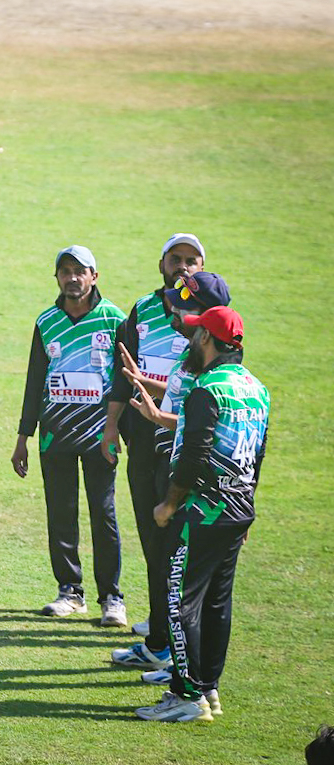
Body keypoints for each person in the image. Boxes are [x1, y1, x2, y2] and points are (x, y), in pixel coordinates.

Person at [136, 306, 269, 722]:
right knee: (216, 602)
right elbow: (257, 454)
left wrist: (169, 503)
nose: (191, 341)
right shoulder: (256, 388)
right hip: (237, 510)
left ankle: (187, 695)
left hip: (203, 512)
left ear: (207, 339)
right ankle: (208, 688)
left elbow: (195, 453)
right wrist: (248, 503)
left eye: (197, 334)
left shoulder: (206, 390)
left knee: (180, 602)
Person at [110, 271, 235, 680]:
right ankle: (162, 646)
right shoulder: (192, 354)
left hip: (187, 478)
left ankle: (184, 671)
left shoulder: (211, 364)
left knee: (183, 578)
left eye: (185, 306)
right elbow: (183, 400)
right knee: (163, 560)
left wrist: (157, 418)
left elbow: (201, 426)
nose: (175, 312)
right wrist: (144, 385)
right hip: (166, 460)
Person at [11, 245, 128, 626]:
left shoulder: (115, 320)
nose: (72, 278)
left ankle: (111, 597)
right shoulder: (47, 321)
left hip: (100, 435)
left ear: (94, 276)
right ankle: (70, 591)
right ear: (57, 277)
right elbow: (35, 381)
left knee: (103, 514)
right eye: (65, 271)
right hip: (55, 434)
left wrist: (117, 430)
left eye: (80, 271)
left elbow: (124, 381)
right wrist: (23, 437)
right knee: (60, 514)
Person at [101, 233, 204, 639]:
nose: (182, 266)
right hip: (144, 435)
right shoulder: (142, 308)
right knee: (150, 529)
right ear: (162, 264)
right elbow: (122, 373)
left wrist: (148, 386)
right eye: (175, 259)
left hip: (185, 437)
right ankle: (161, 622)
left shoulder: (207, 316)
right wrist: (112, 425)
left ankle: (171, 628)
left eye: (191, 261)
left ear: (201, 268)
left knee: (174, 537)